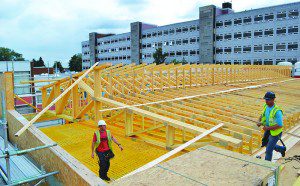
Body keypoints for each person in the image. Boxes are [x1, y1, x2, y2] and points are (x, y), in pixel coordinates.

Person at [257, 91, 286, 161]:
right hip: (268, 129)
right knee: (265, 143)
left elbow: (280, 125)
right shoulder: (266, 106)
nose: (266, 101)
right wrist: (259, 121)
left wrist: (268, 128)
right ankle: (281, 149)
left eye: (268, 99)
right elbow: (262, 114)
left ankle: (267, 165)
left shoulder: (277, 111)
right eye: (265, 99)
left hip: (275, 133)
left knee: (269, 150)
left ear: (273, 100)